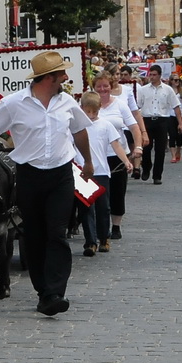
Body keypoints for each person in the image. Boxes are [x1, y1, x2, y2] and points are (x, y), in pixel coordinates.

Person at [0, 51, 93, 316]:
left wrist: (89, 163)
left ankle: (55, 292)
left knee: (57, 233)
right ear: (49, 78)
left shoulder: (67, 102)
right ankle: (43, 291)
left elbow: (80, 131)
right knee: (35, 235)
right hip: (29, 175)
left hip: (61, 174)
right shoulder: (14, 103)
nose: (66, 76)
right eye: (62, 73)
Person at [77, 92, 132, 256]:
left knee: (103, 208)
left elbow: (116, 145)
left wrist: (126, 161)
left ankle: (103, 238)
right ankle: (90, 242)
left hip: (101, 171)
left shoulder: (105, 125)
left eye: (95, 112)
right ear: (82, 110)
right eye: (88, 112)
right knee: (86, 208)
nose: (92, 115)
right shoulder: (77, 126)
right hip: (82, 173)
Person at [136, 65, 181, 184]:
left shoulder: (167, 89)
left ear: (160, 75)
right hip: (147, 120)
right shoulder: (143, 89)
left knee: (160, 149)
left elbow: (176, 106)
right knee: (146, 147)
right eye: (150, 74)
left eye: (154, 75)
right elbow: (137, 106)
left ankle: (157, 175)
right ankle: (146, 167)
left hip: (162, 120)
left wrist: (180, 123)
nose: (152, 77)